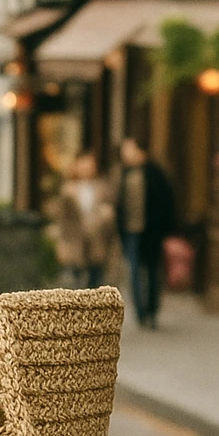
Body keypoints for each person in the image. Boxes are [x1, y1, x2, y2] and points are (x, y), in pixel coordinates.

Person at [116, 138, 175, 328]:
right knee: (133, 271)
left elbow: (165, 202)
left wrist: (165, 229)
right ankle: (140, 311)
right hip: (131, 231)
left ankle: (152, 309)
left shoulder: (154, 173)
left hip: (151, 232)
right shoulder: (125, 174)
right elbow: (120, 204)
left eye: (128, 150)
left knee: (152, 271)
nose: (125, 154)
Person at [56, 152, 116, 289]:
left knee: (96, 281)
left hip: (96, 241)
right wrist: (61, 244)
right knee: (74, 283)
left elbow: (109, 211)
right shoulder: (68, 189)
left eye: (90, 164)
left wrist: (105, 217)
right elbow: (62, 220)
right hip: (74, 242)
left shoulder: (102, 187)